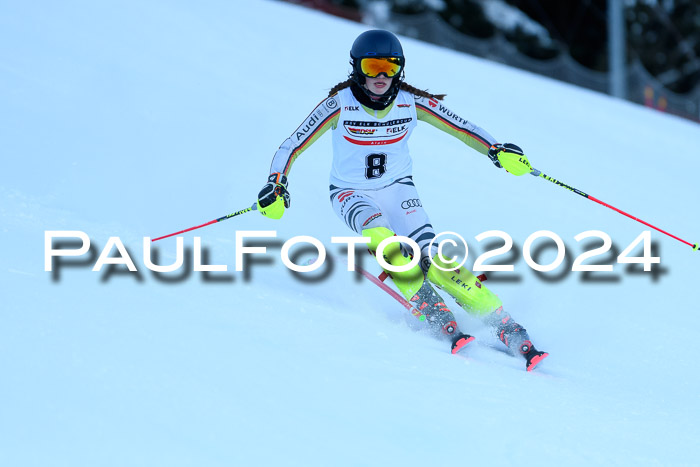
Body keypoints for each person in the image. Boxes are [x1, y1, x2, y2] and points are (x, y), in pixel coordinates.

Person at [257, 29, 548, 371]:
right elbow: (293, 144)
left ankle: (506, 326)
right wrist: (276, 183)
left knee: (436, 258)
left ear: (400, 69)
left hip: (399, 189)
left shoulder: (412, 102)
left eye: (390, 67)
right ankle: (432, 308)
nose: (381, 76)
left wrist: (497, 151)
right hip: (351, 193)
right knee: (385, 240)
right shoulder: (340, 105)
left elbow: (463, 128)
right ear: (357, 68)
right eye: (372, 65)